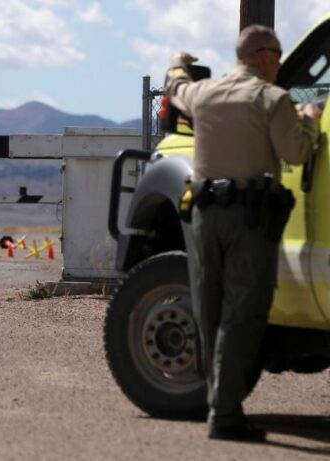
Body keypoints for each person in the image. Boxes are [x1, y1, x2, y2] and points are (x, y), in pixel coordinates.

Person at [165, 25, 321, 442]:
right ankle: (225, 415)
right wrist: (309, 120)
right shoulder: (273, 98)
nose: (282, 63)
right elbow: (295, 152)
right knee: (243, 314)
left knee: (210, 309)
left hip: (204, 214)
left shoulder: (206, 94)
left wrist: (178, 64)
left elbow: (176, 88)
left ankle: (216, 403)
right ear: (264, 56)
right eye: (279, 55)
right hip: (249, 219)